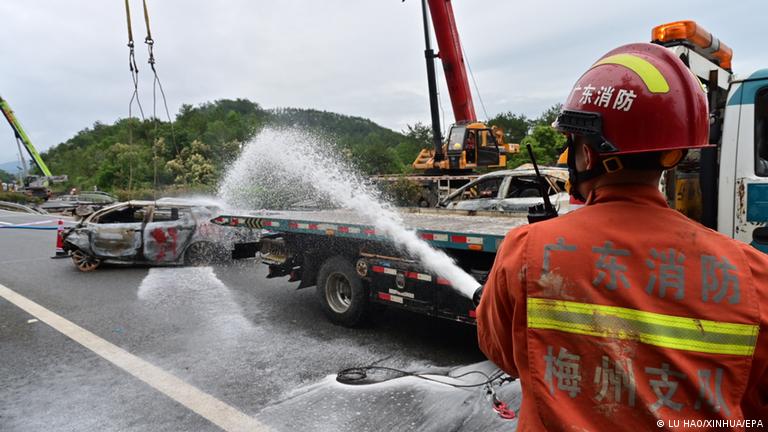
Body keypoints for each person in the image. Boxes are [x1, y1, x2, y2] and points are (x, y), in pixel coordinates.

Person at [476, 43, 768, 431]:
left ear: (588, 155)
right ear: (675, 153)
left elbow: (503, 353)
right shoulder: (754, 275)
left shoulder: (527, 251)